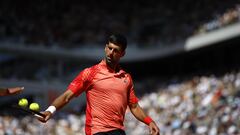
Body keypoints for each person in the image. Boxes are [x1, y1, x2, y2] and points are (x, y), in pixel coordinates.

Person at [37, 34, 160, 135]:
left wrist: (149, 122)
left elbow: (134, 106)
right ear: (105, 48)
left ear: (122, 54)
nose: (111, 53)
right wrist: (50, 111)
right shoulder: (90, 73)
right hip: (96, 131)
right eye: (110, 48)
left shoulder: (126, 78)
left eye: (116, 50)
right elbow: (67, 96)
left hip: (117, 131)